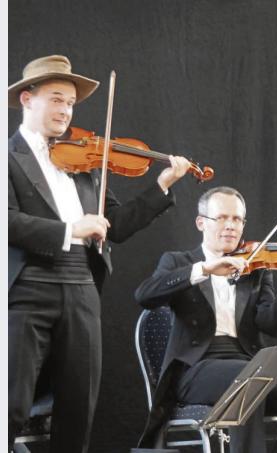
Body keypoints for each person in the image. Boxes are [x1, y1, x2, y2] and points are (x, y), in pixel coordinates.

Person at [8, 55, 192, 453]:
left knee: (79, 407)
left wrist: (160, 186)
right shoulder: (7, 157)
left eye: (71, 103)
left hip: (81, 285)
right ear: (27, 99)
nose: (66, 110)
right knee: (11, 405)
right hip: (28, 288)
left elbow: (117, 226)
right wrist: (70, 229)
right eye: (57, 99)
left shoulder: (84, 162)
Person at [134, 186, 277, 452]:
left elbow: (271, 324)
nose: (230, 226)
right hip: (195, 371)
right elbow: (145, 296)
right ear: (201, 223)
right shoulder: (179, 261)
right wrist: (203, 269)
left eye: (237, 219)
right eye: (222, 218)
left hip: (250, 367)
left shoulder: (255, 267)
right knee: (250, 379)